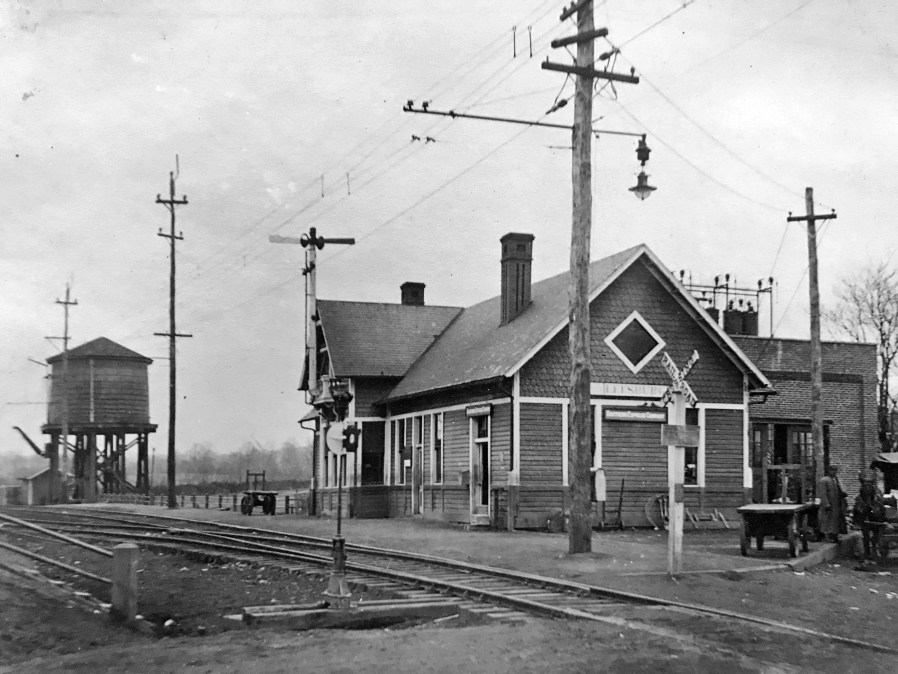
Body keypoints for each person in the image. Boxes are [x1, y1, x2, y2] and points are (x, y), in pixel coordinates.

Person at [854, 470, 886, 558]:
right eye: (865, 485)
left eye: (869, 485)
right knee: (856, 504)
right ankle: (867, 552)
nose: (867, 486)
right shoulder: (860, 498)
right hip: (864, 512)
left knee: (880, 506)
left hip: (875, 514)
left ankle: (875, 548)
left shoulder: (877, 494)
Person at [819, 465, 847, 543]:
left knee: (834, 521)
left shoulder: (834, 480)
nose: (834, 472)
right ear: (828, 471)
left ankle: (834, 536)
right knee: (827, 521)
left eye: (835, 470)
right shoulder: (824, 480)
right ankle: (827, 537)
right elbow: (823, 493)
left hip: (835, 504)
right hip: (829, 504)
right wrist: (826, 504)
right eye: (832, 470)